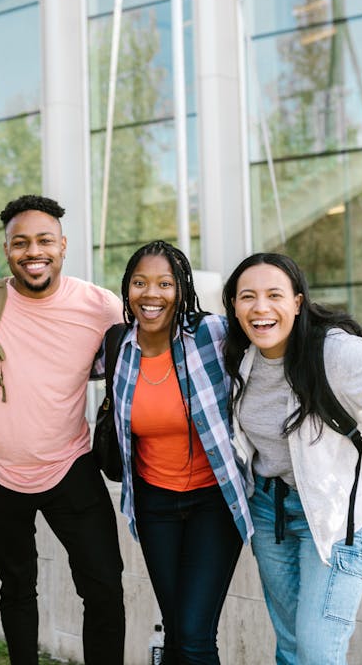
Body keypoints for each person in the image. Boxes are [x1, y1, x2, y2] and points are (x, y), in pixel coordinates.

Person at [221, 252, 362, 664]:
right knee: (290, 646)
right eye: (247, 296)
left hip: (337, 515)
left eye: (274, 295)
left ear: (298, 302)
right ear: (234, 305)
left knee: (318, 652)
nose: (260, 308)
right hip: (269, 513)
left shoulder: (338, 354)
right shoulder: (238, 356)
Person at [0, 194, 125, 665]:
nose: (33, 251)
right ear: (6, 250)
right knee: (18, 586)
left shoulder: (100, 306)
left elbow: (160, 329)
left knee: (104, 585)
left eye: (45, 240)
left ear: (63, 246)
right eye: (20, 242)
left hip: (71, 465)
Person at [96, 240, 252, 664]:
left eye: (165, 283)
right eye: (140, 282)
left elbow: (274, 340)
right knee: (179, 631)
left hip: (213, 502)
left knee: (195, 634)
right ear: (126, 289)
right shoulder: (118, 346)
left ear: (181, 289)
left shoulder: (212, 334)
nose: (152, 294)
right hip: (154, 504)